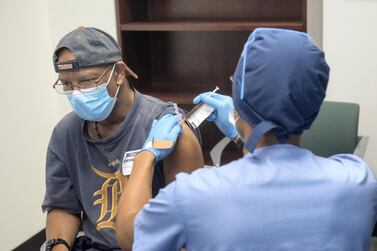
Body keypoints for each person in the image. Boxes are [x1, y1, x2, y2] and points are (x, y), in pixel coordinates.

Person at [116, 28, 377, 251]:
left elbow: (130, 235)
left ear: (240, 98)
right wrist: (239, 131)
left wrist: (145, 158)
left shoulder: (193, 196)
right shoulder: (356, 181)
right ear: (315, 102)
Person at [41, 26, 204, 251]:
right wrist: (58, 246)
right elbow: (62, 206)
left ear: (118, 73)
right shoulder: (66, 133)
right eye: (67, 85)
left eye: (88, 81)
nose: (77, 93)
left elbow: (190, 223)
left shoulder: (166, 127)